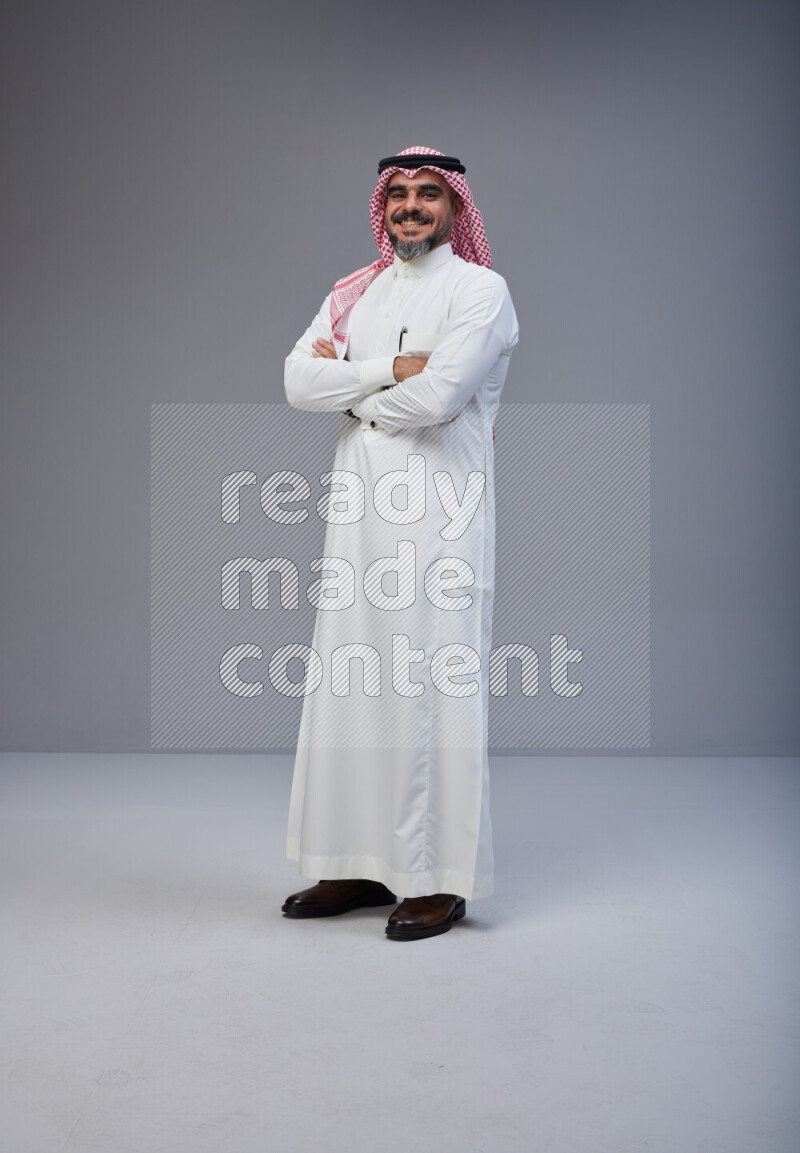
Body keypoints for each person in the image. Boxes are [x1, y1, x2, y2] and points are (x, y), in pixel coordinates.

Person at [281, 146, 519, 940]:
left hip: (440, 520)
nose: (411, 206)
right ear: (382, 208)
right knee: (351, 683)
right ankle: (352, 860)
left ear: (455, 208)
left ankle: (437, 879)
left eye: (428, 194)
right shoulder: (356, 291)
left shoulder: (480, 290)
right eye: (398, 195)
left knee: (430, 688)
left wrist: (353, 392)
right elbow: (297, 382)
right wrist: (389, 369)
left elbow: (441, 396)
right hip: (358, 520)